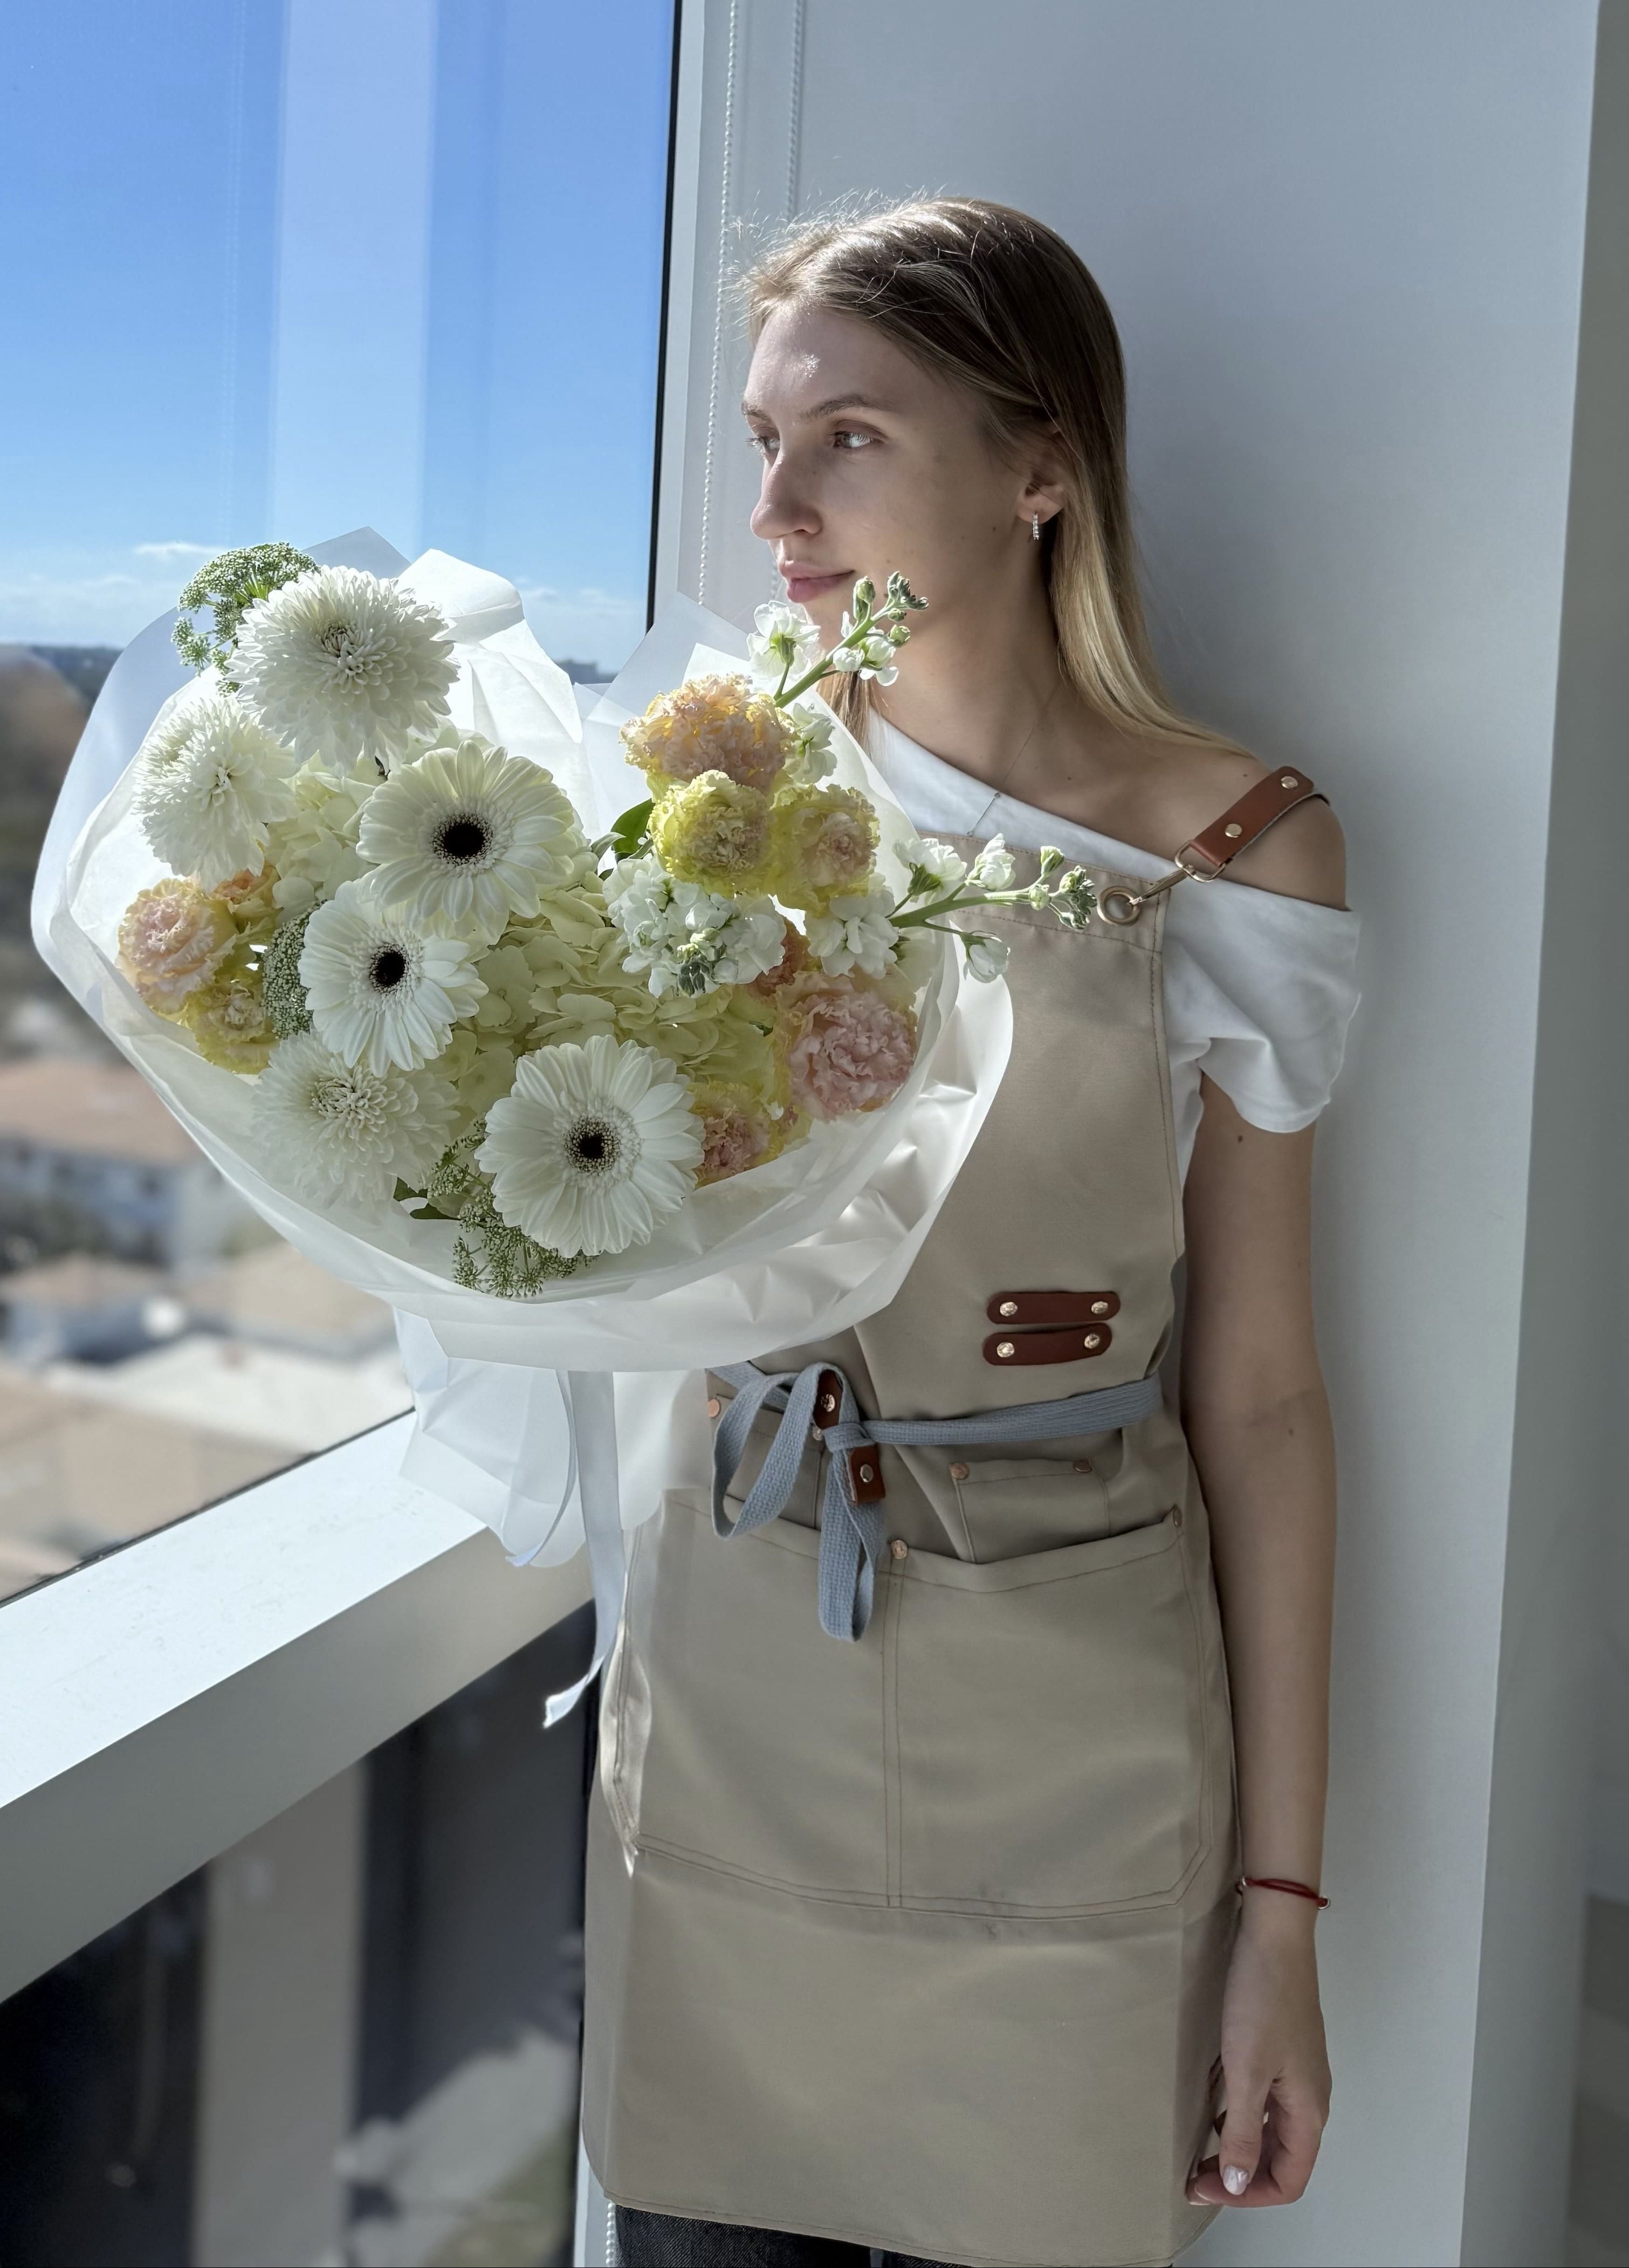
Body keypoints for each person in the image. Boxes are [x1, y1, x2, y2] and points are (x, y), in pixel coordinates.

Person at [580, 197, 1360, 2268]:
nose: (775, 505)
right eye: (765, 438)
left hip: (1076, 1726)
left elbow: (1262, 1398)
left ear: (1042, 468)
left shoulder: (1239, 848)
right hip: (736, 1691)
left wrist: (1282, 1921)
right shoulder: (707, 806)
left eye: (847, 434)